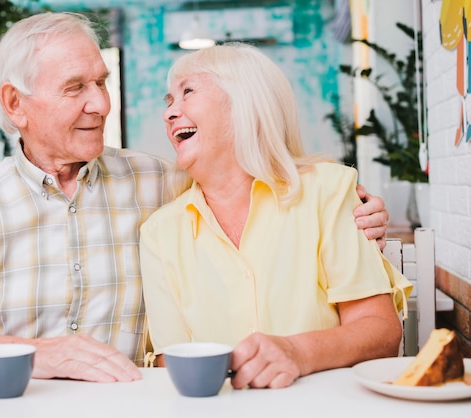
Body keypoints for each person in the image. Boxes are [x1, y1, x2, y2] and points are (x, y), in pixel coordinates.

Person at [0, 13, 389, 383]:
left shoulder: (159, 182)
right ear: (16, 104)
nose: (100, 103)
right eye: (76, 87)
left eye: (101, 81)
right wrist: (41, 355)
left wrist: (351, 200)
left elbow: (246, 170)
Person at [139, 43, 412, 389]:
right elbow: (171, 363)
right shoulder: (160, 233)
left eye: (187, 92)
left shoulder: (328, 191)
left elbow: (380, 331)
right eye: (168, 102)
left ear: (245, 103)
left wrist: (297, 352)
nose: (169, 113)